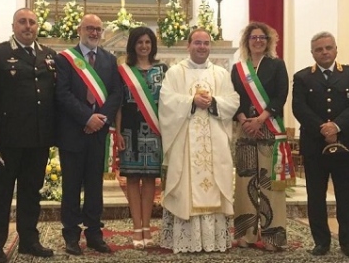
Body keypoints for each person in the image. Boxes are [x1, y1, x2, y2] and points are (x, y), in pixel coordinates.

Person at [0, 8, 57, 262]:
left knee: (31, 192)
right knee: (1, 193)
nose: (28, 26)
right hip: (7, 139)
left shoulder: (48, 55)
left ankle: (29, 240)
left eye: (32, 22)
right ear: (13, 26)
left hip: (38, 139)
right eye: (22, 22)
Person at [159, 28, 240, 253]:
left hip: (214, 140)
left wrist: (213, 101)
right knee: (186, 188)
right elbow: (166, 102)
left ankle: (212, 240)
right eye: (197, 43)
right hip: (185, 142)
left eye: (206, 43)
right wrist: (191, 101)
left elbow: (233, 101)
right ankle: (187, 239)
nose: (202, 47)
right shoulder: (175, 72)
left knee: (214, 184)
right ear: (188, 45)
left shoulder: (221, 74)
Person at [292, 32, 349, 259]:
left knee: (346, 195)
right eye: (319, 49)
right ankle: (321, 242)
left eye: (328, 48)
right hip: (315, 146)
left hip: (345, 144)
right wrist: (323, 129)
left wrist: (337, 126)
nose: (324, 52)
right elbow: (299, 108)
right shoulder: (303, 77)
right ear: (312, 52)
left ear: (336, 49)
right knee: (316, 195)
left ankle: (348, 242)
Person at [55, 14, 123, 255]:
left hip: (97, 134)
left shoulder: (108, 59)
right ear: (79, 29)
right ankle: (71, 236)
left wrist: (100, 119)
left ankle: (94, 234)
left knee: (95, 187)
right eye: (90, 28)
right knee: (71, 187)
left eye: (98, 29)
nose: (94, 33)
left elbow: (116, 92)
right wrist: (87, 117)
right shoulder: (65, 59)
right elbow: (62, 94)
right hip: (73, 132)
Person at [231, 21, 291, 251]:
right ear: (247, 41)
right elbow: (233, 98)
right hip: (245, 129)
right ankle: (246, 234)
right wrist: (244, 120)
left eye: (261, 38)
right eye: (253, 38)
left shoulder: (277, 65)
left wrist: (261, 119)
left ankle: (273, 237)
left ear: (268, 42)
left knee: (269, 184)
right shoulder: (238, 69)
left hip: (269, 128)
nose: (257, 41)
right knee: (245, 183)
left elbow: (280, 95)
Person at [114, 27, 167, 249]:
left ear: (152, 45)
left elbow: (168, 103)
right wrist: (117, 132)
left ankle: (147, 227)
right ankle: (137, 227)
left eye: (147, 42)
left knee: (150, 181)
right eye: (140, 42)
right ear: (133, 45)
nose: (144, 46)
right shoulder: (123, 71)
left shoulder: (163, 70)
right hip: (130, 130)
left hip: (155, 130)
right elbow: (117, 104)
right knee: (133, 179)